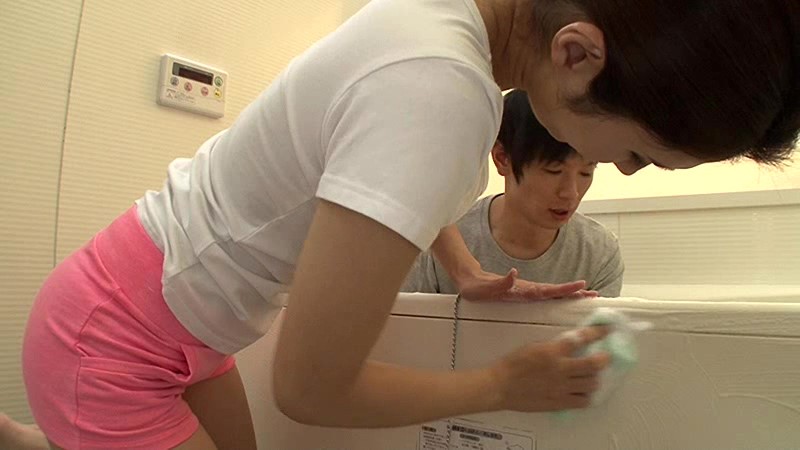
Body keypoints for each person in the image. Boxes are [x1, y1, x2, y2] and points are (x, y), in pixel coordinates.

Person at [21, 0, 798, 448]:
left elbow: (374, 177)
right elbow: (309, 388)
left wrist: (463, 271)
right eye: (637, 154)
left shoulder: (443, 27)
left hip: (176, 320)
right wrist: (502, 384)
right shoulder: (441, 95)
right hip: (116, 337)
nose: (621, 173)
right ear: (577, 55)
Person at [403, 89, 624, 298]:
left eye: (586, 172)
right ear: (502, 158)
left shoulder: (600, 253)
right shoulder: (439, 238)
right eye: (553, 170)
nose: (571, 193)